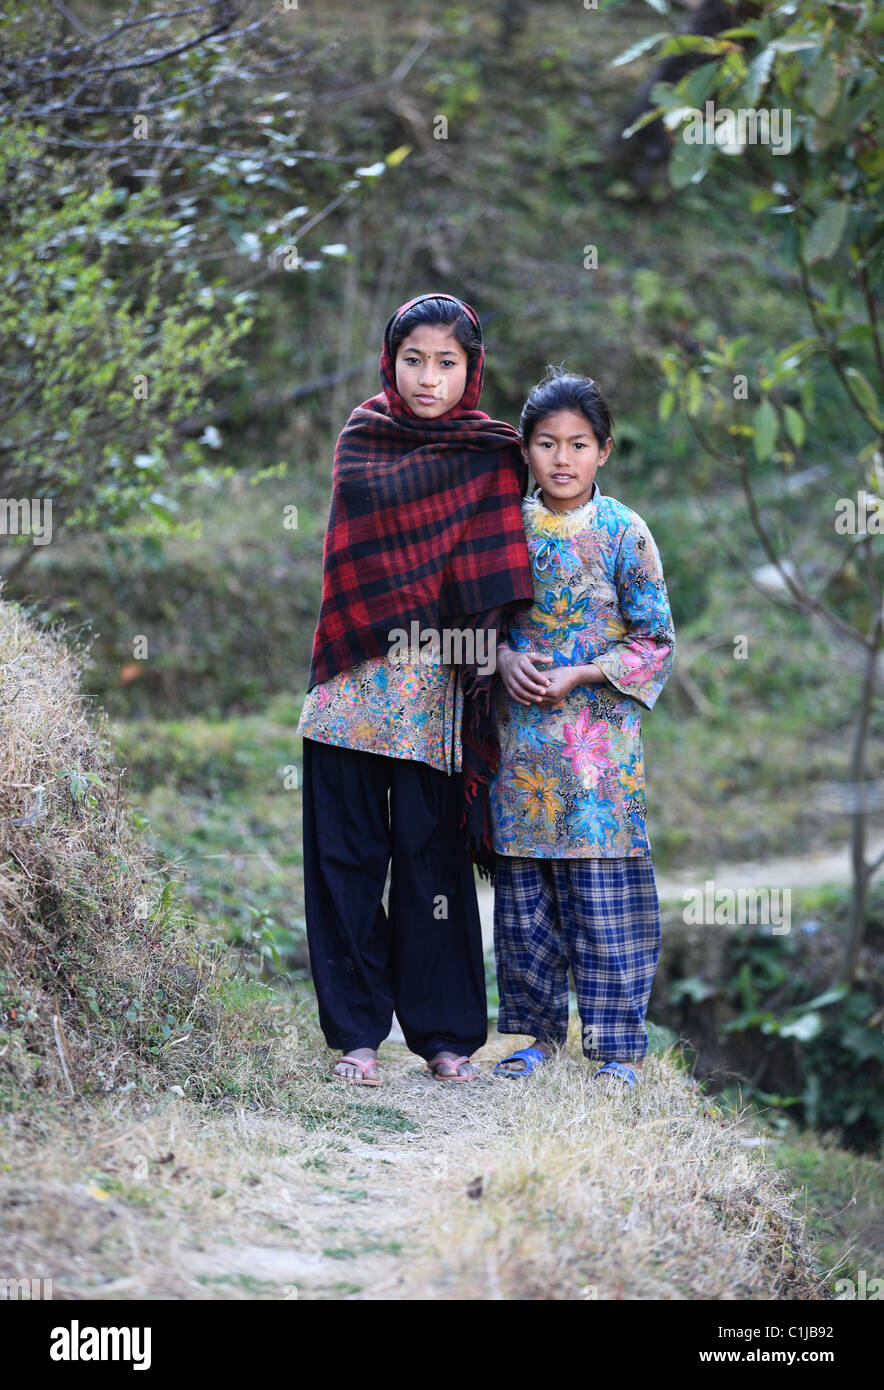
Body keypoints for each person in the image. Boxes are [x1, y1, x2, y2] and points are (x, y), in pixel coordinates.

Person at [297, 293, 533, 1086]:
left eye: (446, 363)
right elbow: (353, 570)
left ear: (471, 370)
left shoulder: (490, 453)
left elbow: (496, 577)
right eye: (414, 360)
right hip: (352, 683)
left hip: (435, 692)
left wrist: (485, 652)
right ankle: (357, 1036)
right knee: (346, 858)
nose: (428, 378)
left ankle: (444, 1036)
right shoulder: (361, 437)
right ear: (389, 362)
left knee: (432, 866)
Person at [489, 367, 675, 1088]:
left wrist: (583, 672)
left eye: (577, 443)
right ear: (526, 451)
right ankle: (535, 1037)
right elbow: (483, 623)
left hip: (599, 758)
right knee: (528, 900)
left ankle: (618, 1048)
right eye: (545, 443)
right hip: (524, 748)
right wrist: (503, 658)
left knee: (603, 903)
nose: (561, 459)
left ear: (604, 450)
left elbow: (654, 642)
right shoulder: (506, 527)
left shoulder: (626, 533)